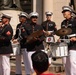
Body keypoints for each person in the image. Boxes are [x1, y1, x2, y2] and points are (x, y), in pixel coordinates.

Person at [60, 6, 76, 75]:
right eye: (63, 12)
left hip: (73, 45)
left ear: (69, 12)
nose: (63, 13)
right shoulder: (63, 22)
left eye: (65, 12)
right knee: (65, 63)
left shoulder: (75, 21)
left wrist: (75, 38)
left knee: (72, 62)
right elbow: (61, 32)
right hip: (64, 45)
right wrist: (59, 39)